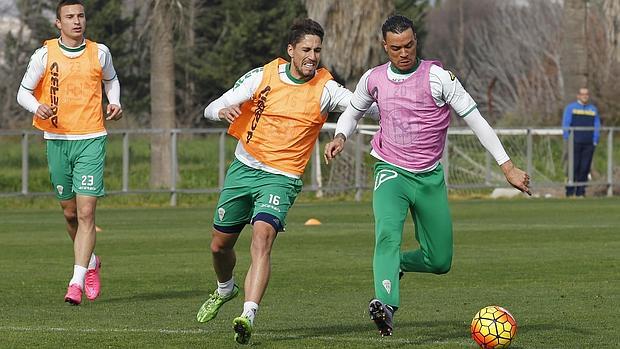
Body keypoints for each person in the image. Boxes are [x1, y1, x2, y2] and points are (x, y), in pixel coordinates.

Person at [324, 15, 531, 337]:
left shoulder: (439, 78)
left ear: (415, 42)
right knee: (387, 234)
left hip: (429, 177)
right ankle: (386, 304)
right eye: (395, 48)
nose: (403, 52)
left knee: (439, 260)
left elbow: (475, 119)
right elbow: (353, 110)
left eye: (408, 45)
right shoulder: (373, 78)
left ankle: (398, 265)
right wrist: (340, 136)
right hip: (390, 170)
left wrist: (507, 166)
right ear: (385, 47)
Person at [196, 18, 377, 344]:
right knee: (219, 246)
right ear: (290, 50)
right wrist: (222, 111)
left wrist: (392, 98)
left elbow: (362, 106)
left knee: (262, 237)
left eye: (317, 50)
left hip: (282, 177)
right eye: (306, 49)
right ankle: (225, 288)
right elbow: (212, 107)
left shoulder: (326, 88)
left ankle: (247, 314)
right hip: (243, 168)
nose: (312, 56)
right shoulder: (262, 76)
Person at [16, 0, 122, 305]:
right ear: (58, 24)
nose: (77, 21)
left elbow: (111, 79)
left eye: (81, 16)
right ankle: (90, 262)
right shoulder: (44, 55)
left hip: (91, 137)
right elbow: (22, 92)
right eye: (70, 17)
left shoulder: (100, 52)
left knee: (87, 211)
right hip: (57, 139)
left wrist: (114, 101)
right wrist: (38, 107)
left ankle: (75, 282)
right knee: (70, 213)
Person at [562, 87, 600, 197]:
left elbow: (597, 125)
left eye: (586, 94)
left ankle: (581, 192)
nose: (585, 96)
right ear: (578, 95)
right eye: (582, 94)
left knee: (585, 167)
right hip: (574, 142)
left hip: (588, 143)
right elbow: (566, 124)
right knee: (573, 167)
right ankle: (569, 192)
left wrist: (595, 140)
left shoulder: (593, 109)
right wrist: (567, 138)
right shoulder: (571, 108)